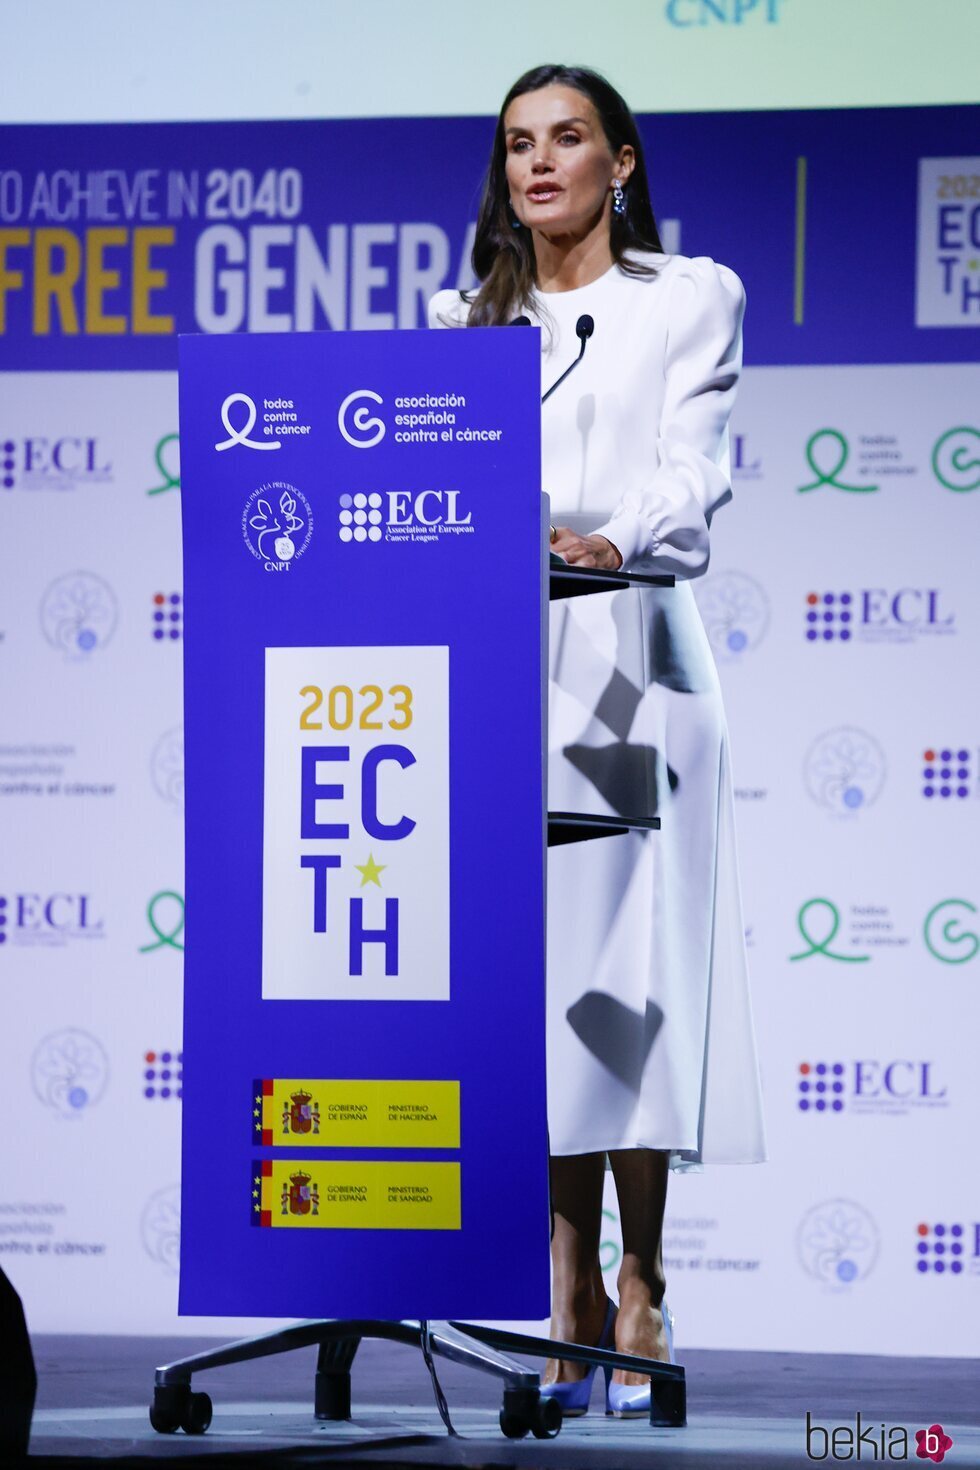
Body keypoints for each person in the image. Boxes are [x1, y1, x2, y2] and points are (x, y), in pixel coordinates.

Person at [429, 63, 765, 1418]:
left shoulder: (689, 296)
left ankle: (643, 1272)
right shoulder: (465, 319)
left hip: (636, 654)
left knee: (636, 986)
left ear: (621, 163)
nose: (539, 163)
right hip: (512, 668)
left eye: (567, 138)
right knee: (542, 981)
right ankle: (562, 1278)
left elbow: (695, 464)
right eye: (518, 144)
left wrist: (617, 533)